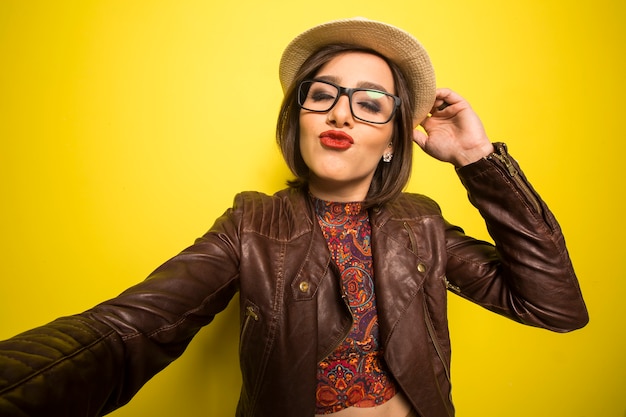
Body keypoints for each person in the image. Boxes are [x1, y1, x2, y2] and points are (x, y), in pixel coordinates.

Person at [0, 17, 588, 417]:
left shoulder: (422, 224)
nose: (341, 113)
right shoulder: (251, 224)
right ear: (299, 118)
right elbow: (126, 332)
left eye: (370, 102)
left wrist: (477, 161)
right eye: (323, 94)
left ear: (392, 138)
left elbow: (553, 306)